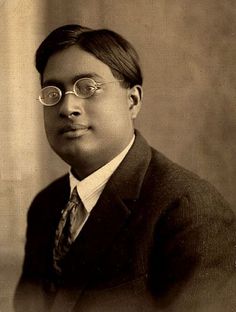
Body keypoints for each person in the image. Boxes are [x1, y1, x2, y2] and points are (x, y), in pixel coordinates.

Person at [14, 24, 236, 312]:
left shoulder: (188, 208)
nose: (67, 107)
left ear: (133, 101)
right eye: (53, 92)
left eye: (87, 87)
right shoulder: (46, 206)